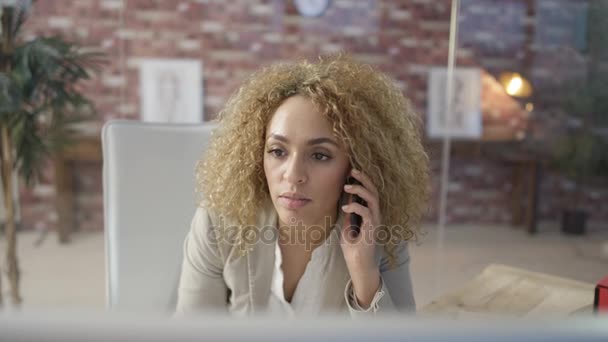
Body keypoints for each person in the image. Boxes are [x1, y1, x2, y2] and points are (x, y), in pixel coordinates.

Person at [176, 54, 430, 318]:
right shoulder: (218, 221)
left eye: (320, 155)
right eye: (277, 151)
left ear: (357, 164)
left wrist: (365, 276)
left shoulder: (378, 233)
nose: (294, 175)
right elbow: (190, 331)